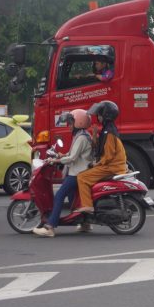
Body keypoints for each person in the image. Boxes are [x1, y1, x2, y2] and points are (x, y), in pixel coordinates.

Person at [32, 109, 93, 238]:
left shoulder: (81, 138)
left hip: (77, 173)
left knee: (59, 196)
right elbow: (73, 154)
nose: (69, 125)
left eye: (71, 122)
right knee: (72, 197)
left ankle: (50, 227)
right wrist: (61, 155)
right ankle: (84, 223)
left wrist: (56, 160)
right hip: (79, 171)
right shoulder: (82, 135)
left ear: (79, 122)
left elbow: (72, 158)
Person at [75, 100, 127, 215]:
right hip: (111, 165)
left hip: (112, 167)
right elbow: (98, 148)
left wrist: (95, 164)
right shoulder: (107, 130)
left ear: (105, 115)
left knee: (82, 177)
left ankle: (88, 206)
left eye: (99, 115)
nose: (98, 117)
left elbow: (108, 156)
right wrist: (94, 134)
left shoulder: (109, 132)